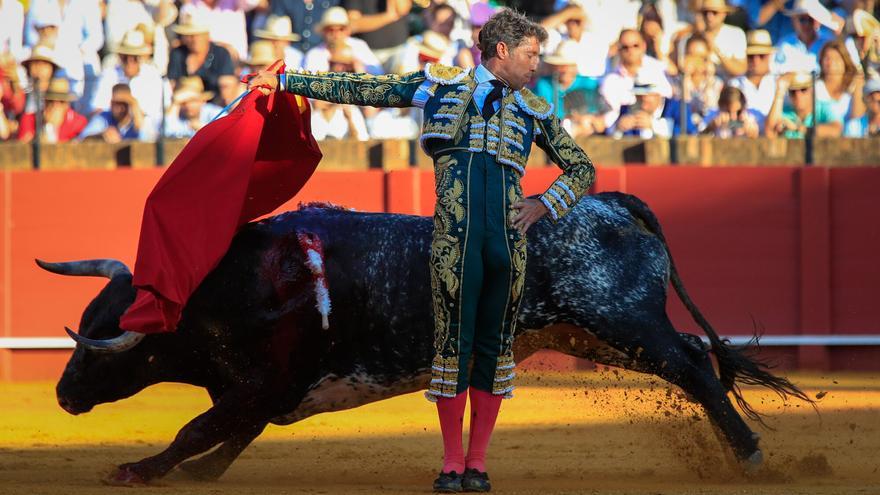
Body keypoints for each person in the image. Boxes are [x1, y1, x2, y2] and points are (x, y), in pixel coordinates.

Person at [247, 8, 595, 492]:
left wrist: (543, 203)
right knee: (452, 348)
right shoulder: (440, 85)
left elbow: (582, 168)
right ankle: (453, 462)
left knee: (494, 352)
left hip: (507, 247)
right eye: (531, 55)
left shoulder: (534, 109)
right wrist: (285, 82)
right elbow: (366, 89)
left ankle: (478, 463)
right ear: (502, 51)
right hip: (453, 243)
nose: (538, 64)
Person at [600, 29, 673, 130]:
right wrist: (619, 125)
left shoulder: (658, 69)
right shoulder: (610, 81)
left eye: (635, 45)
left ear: (644, 46)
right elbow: (609, 118)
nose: (631, 50)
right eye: (625, 47)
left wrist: (654, 124)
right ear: (619, 50)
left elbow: (668, 104)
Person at [90, 29, 169, 122]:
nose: (129, 61)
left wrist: (131, 103)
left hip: (146, 127)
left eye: (135, 57)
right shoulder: (108, 75)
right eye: (125, 57)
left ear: (143, 57)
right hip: (113, 125)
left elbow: (160, 113)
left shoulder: (154, 77)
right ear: (119, 56)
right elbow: (97, 110)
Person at [534, 39, 605, 137]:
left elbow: (600, 122)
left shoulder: (589, 85)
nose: (565, 69)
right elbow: (539, 118)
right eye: (561, 65)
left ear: (577, 65)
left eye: (570, 65)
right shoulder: (543, 84)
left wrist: (587, 120)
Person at [167, 14, 237, 105]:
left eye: (198, 35)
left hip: (216, 103)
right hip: (185, 104)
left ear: (207, 35)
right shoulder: (178, 53)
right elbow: (172, 83)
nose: (194, 39)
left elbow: (228, 84)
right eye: (189, 35)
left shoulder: (221, 53)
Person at [303, 7, 383, 74]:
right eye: (331, 29)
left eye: (341, 29)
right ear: (324, 32)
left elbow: (379, 73)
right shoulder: (314, 55)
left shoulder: (359, 46)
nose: (336, 33)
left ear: (347, 30)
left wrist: (360, 68)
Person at [765, 71, 841, 137]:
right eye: (793, 91)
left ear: (812, 90)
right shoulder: (784, 112)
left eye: (803, 89)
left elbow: (836, 130)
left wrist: (798, 128)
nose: (798, 95)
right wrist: (779, 92)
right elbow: (769, 132)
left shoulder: (825, 108)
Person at [774, 0, 840, 74]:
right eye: (802, 19)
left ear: (818, 22)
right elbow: (776, 72)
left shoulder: (829, 43)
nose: (807, 24)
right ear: (794, 21)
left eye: (810, 20)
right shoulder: (784, 45)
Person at [17, 77, 88, 142]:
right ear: (45, 101)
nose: (55, 105)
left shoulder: (79, 122)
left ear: (67, 104)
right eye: (51, 101)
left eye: (61, 101)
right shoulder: (29, 119)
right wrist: (47, 126)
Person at [729, 29, 779, 119]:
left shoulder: (779, 82)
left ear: (770, 55)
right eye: (751, 56)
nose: (756, 61)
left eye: (761, 55)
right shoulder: (734, 84)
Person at [80, 83, 156, 141]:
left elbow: (148, 138)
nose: (119, 108)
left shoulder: (139, 118)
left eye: (123, 103)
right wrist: (100, 135)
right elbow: (81, 139)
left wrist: (135, 106)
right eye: (115, 103)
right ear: (111, 103)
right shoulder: (104, 117)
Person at [609, 74, 673, 138]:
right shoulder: (626, 110)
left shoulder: (675, 108)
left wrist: (653, 125)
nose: (643, 99)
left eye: (646, 95)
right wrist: (619, 129)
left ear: (658, 95)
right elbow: (611, 136)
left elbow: (677, 133)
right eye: (638, 95)